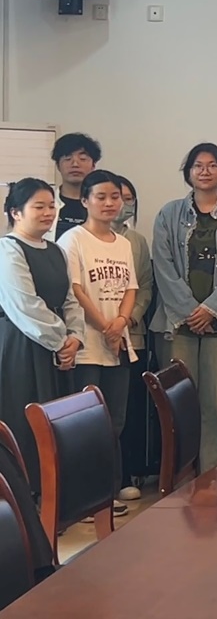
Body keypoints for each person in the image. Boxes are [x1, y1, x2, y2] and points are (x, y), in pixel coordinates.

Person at [152, 143, 217, 471]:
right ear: (189, 172)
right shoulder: (168, 214)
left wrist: (211, 309)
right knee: (178, 402)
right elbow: (163, 267)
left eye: (212, 165)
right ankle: (179, 475)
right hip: (177, 323)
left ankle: (215, 475)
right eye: (198, 165)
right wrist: (190, 311)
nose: (205, 171)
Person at [57, 170, 138, 513]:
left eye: (115, 197)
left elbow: (130, 288)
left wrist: (120, 323)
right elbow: (75, 290)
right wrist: (106, 326)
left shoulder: (123, 243)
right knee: (85, 423)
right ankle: (84, 500)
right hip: (88, 345)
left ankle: (108, 491)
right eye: (101, 197)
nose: (109, 203)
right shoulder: (72, 239)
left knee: (114, 421)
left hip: (118, 344)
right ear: (85, 200)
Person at [0, 179, 84, 486]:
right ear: (16, 212)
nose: (48, 212)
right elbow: (25, 305)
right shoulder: (8, 249)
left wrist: (75, 338)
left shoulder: (56, 250)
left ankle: (54, 494)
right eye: (39, 206)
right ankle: (24, 496)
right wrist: (61, 342)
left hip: (58, 348)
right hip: (22, 346)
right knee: (23, 421)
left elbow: (70, 299)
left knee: (56, 420)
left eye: (51, 206)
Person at [111, 174, 153, 501]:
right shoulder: (79, 239)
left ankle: (128, 473)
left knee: (128, 410)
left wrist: (128, 318)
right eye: (115, 197)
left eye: (127, 198)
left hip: (131, 337)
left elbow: (144, 286)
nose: (120, 204)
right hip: (97, 337)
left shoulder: (136, 241)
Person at [50, 132, 101, 240]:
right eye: (68, 159)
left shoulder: (101, 204)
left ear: (93, 165)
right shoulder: (47, 203)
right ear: (58, 165)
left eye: (82, 159)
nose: (75, 164)